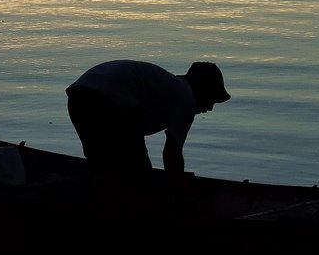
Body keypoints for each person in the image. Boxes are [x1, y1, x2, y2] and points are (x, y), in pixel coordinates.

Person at [65, 60, 230, 180]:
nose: (210, 108)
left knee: (101, 163)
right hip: (111, 101)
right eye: (212, 100)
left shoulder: (170, 86)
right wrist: (178, 191)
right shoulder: (186, 97)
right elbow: (172, 152)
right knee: (139, 173)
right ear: (202, 91)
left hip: (79, 95)